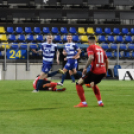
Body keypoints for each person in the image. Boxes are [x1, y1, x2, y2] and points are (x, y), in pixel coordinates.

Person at [74, 36, 109, 108]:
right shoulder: (101, 49)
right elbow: (107, 61)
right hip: (102, 71)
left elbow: (91, 57)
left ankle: (83, 103)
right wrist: (106, 71)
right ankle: (100, 102)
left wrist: (85, 67)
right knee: (93, 84)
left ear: (89, 42)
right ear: (95, 41)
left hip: (95, 71)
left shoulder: (90, 47)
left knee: (78, 83)